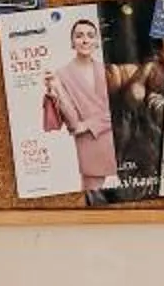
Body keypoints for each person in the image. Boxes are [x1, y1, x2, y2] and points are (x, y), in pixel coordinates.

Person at [44, 13, 119, 191]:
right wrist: (57, 89)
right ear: (72, 42)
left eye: (90, 36)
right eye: (79, 36)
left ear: (96, 42)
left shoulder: (109, 70)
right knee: (91, 194)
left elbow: (119, 109)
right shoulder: (61, 75)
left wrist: (89, 124)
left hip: (119, 139)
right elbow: (73, 124)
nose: (85, 40)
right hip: (89, 144)